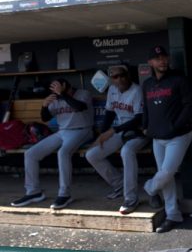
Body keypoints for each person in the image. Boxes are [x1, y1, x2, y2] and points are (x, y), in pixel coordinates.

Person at [11, 78, 93, 210]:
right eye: (53, 89)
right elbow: (45, 118)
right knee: (31, 153)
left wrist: (63, 94)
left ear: (65, 85)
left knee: (63, 152)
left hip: (82, 130)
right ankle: (33, 192)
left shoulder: (83, 93)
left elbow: (80, 107)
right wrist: (44, 106)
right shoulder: (56, 98)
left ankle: (64, 194)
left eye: (57, 87)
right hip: (62, 132)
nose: (55, 91)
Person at [142, 45, 192, 233]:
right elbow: (146, 107)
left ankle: (148, 188)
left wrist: (175, 126)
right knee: (167, 176)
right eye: (157, 58)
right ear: (150, 62)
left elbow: (189, 106)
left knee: (166, 172)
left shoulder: (178, 79)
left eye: (164, 57)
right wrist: (145, 126)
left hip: (178, 136)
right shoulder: (147, 84)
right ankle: (173, 214)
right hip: (157, 137)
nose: (162, 61)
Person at [85, 65, 148, 215]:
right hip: (121, 132)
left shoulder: (137, 90)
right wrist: (100, 136)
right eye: (115, 77)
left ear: (128, 76)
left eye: (122, 75)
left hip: (139, 132)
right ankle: (119, 184)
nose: (119, 79)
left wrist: (112, 131)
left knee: (126, 152)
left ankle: (131, 198)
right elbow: (109, 114)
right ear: (111, 80)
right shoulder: (112, 90)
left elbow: (138, 119)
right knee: (92, 154)